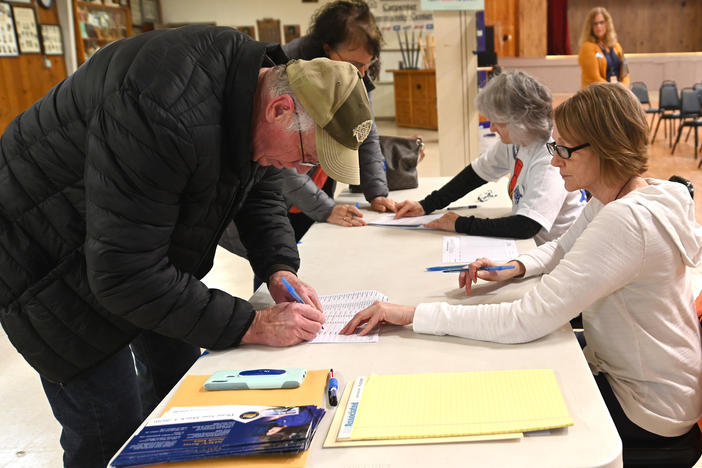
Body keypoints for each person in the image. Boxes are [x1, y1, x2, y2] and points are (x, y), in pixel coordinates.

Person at [0, 26, 373, 467]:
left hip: (129, 245)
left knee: (183, 390)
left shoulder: (251, 87)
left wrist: (278, 266)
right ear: (280, 109)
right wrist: (249, 324)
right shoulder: (162, 110)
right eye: (306, 155)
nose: (301, 168)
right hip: (44, 256)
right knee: (110, 426)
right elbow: (124, 275)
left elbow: (260, 188)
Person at [342, 83, 702, 451]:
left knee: (496, 417)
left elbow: (524, 320)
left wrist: (411, 313)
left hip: (648, 407)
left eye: (564, 149)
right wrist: (513, 267)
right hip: (646, 379)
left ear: (604, 148)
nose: (556, 159)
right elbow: (561, 249)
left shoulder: (625, 221)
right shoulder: (626, 194)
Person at [394, 71, 585, 245]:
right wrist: (425, 205)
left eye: (497, 122)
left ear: (521, 121)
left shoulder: (549, 159)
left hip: (555, 249)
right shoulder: (518, 139)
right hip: (531, 244)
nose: (492, 128)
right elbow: (475, 174)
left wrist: (460, 224)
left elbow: (526, 226)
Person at [281, 0, 395, 238]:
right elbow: (276, 166)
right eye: (354, 64)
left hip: (315, 186)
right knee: (277, 260)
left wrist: (377, 192)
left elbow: (365, 131)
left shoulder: (350, 73)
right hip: (276, 198)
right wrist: (325, 208)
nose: (361, 74)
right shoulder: (284, 73)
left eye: (368, 64)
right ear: (326, 48)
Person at [578, 6, 629, 88]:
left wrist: (624, 88)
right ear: (590, 27)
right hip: (596, 94)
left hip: (617, 93)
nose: (599, 26)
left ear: (607, 23)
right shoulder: (587, 47)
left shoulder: (616, 46)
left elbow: (625, 73)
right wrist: (615, 90)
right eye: (595, 24)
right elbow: (594, 78)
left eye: (601, 22)